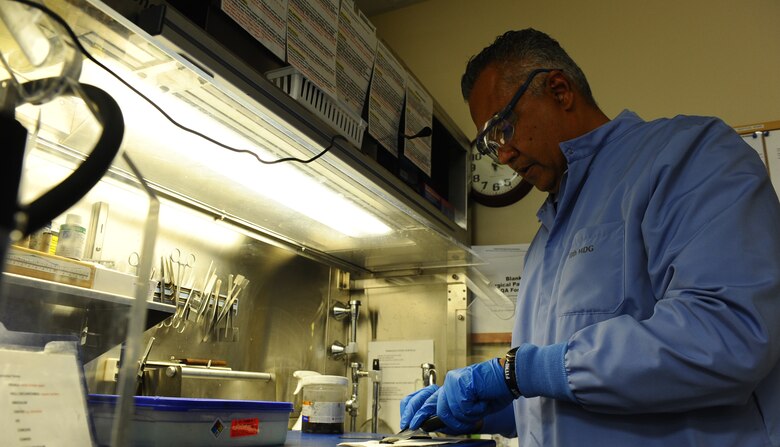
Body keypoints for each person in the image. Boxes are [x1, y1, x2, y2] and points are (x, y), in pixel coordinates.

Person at [400, 28, 780, 446]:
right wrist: (480, 413)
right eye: (491, 145)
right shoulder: (546, 242)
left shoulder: (689, 155)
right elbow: (561, 389)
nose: (504, 155)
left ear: (559, 91)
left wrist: (515, 373)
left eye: (502, 129)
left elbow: (729, 334)